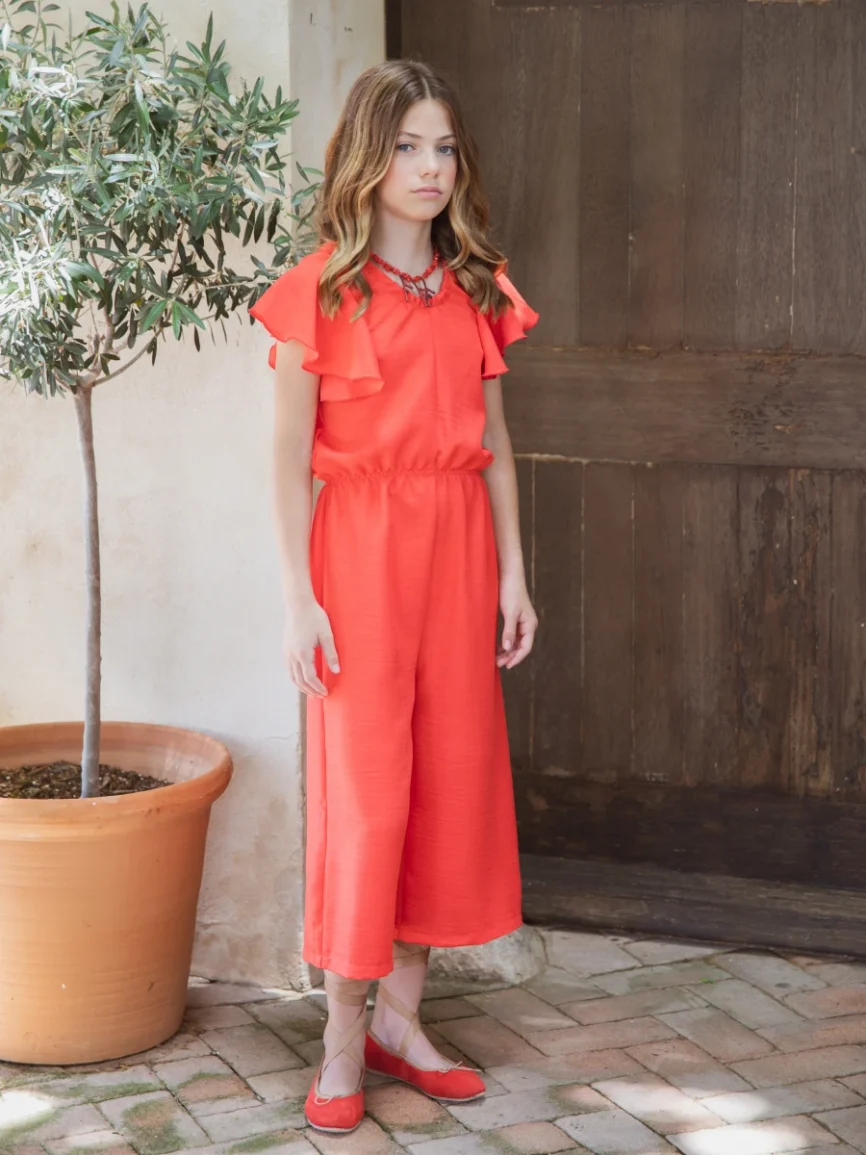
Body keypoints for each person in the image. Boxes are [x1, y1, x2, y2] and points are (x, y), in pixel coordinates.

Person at [249, 58, 539, 1135]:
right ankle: (340, 1038)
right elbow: (287, 463)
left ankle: (402, 1028)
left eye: (444, 147)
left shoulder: (477, 288)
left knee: (445, 788)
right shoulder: (319, 293)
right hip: (359, 562)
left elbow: (495, 446)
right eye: (408, 146)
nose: (429, 167)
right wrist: (298, 599)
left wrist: (513, 575)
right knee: (368, 798)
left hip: (458, 554)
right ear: (367, 160)